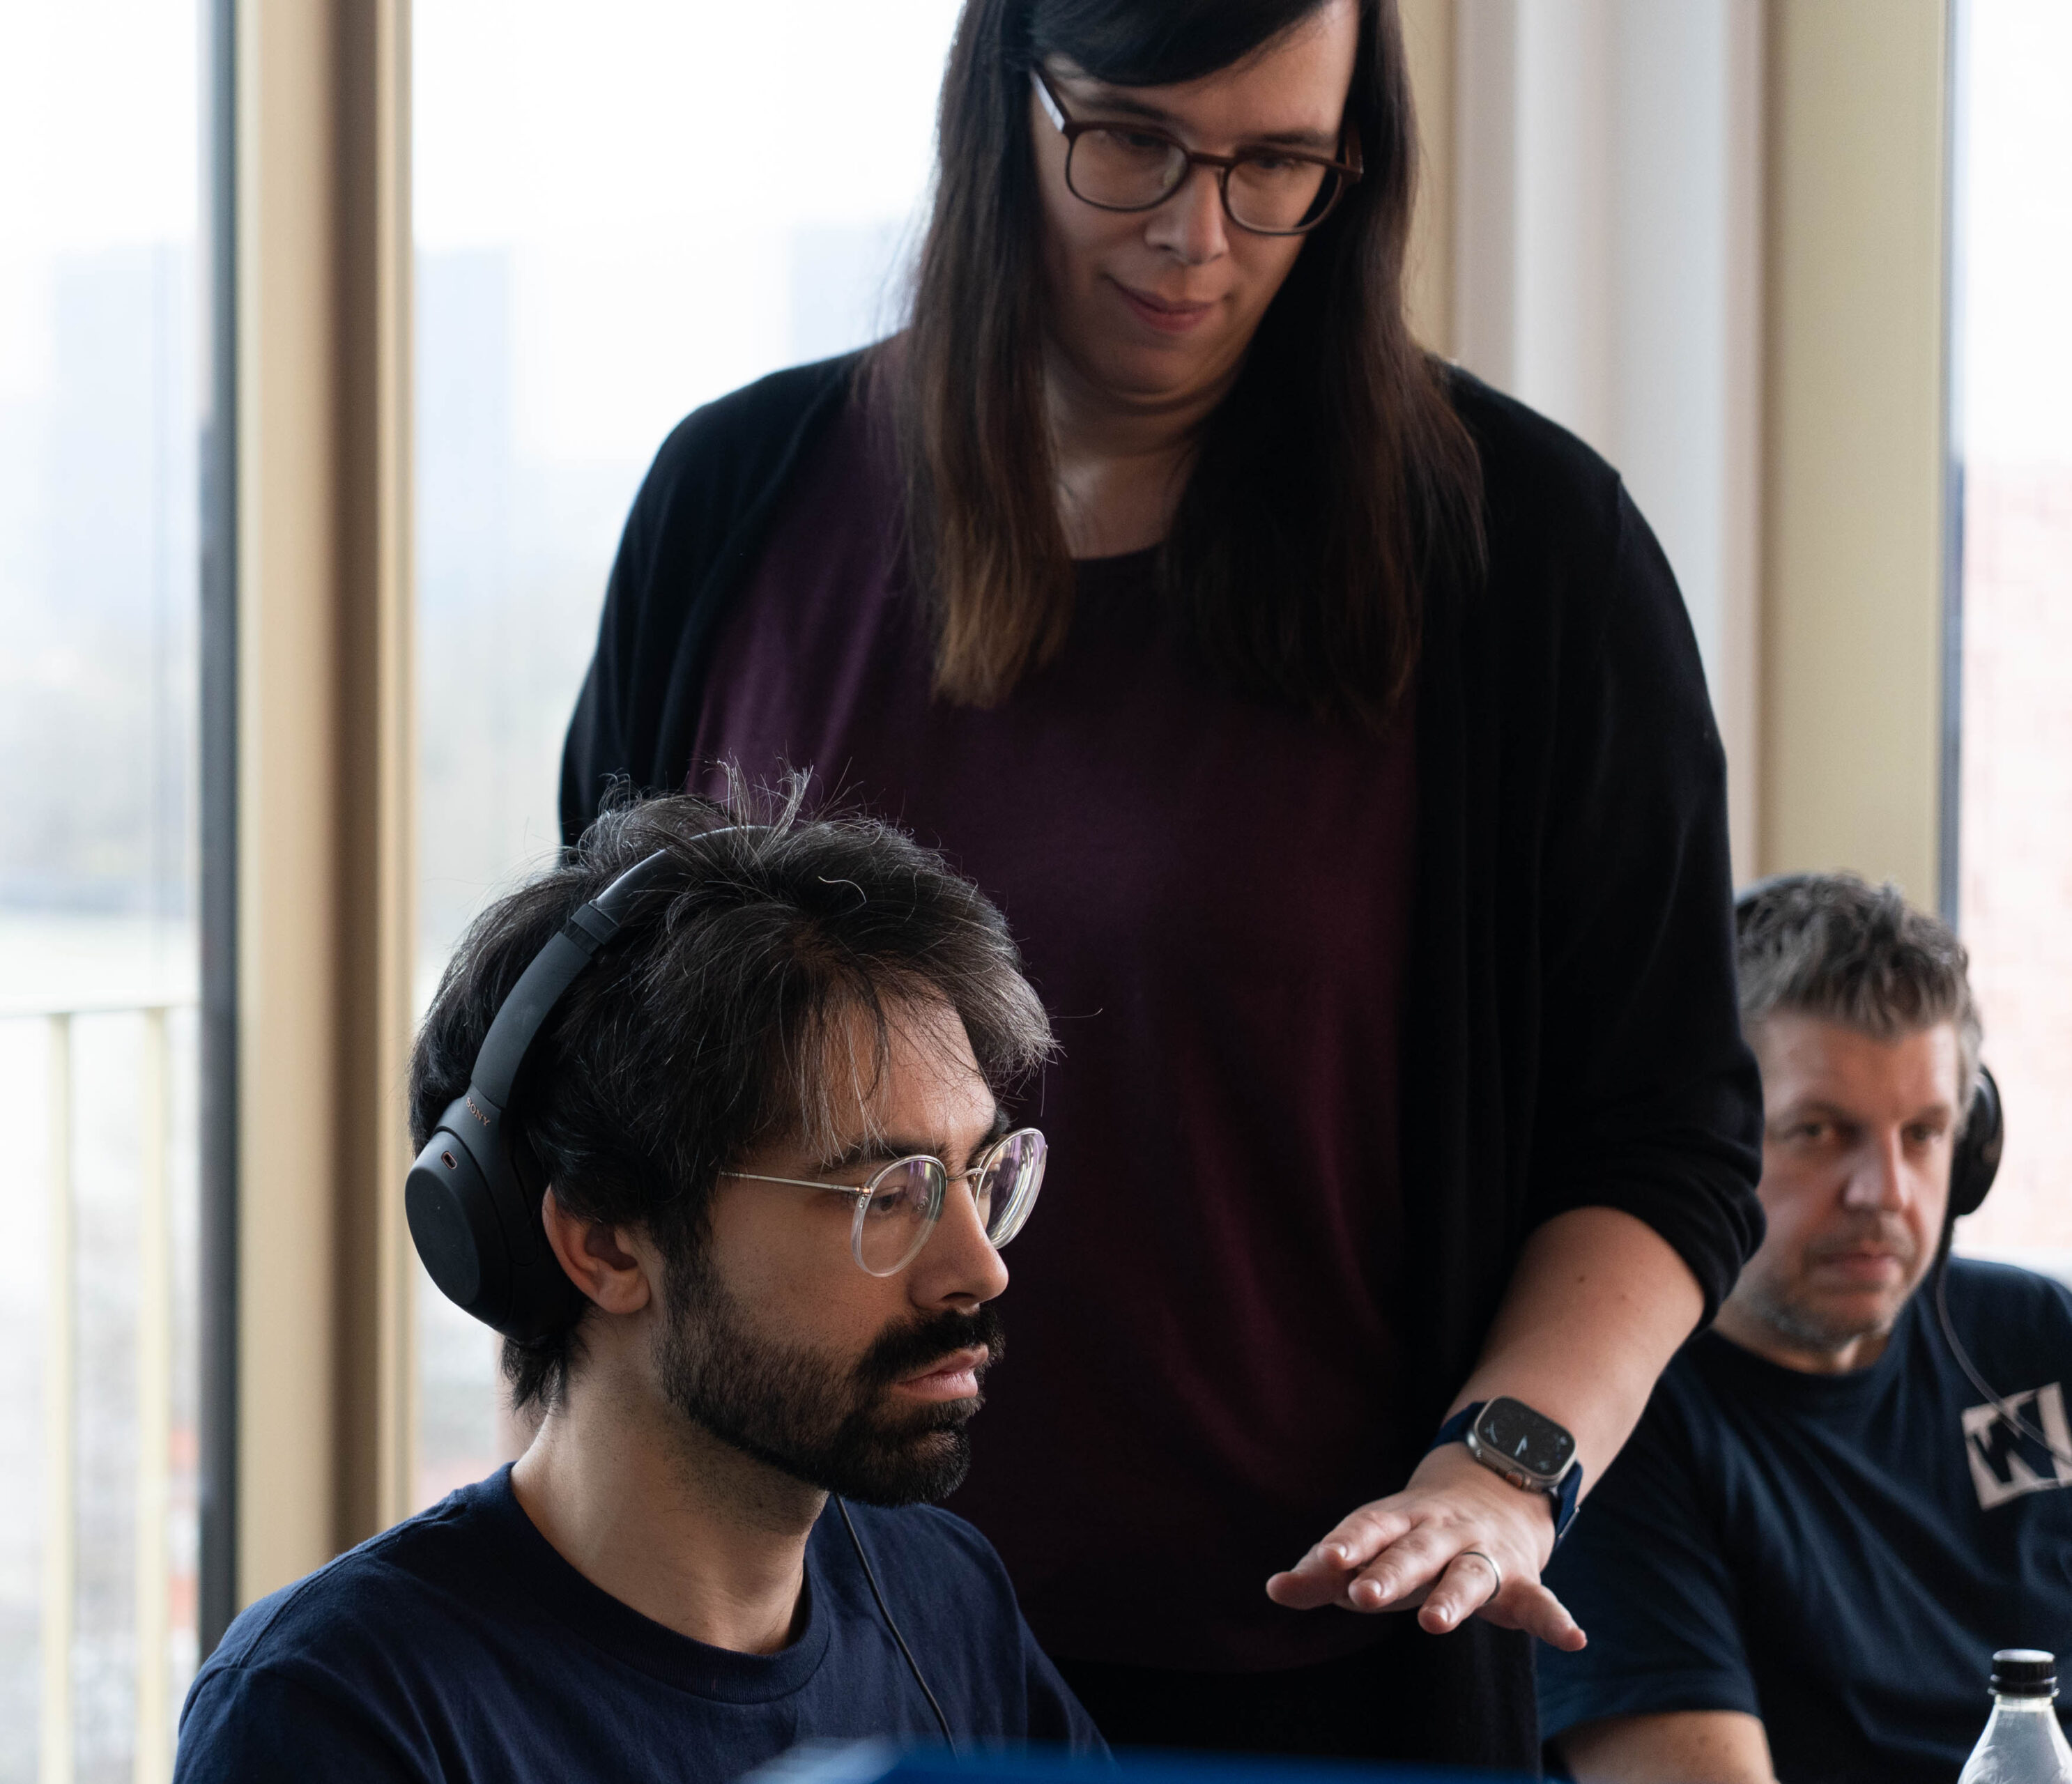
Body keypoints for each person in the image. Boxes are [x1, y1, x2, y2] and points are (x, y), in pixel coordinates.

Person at [559, 0, 1764, 1765]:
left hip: (1313, 1679)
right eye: (1129, 141)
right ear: (1005, 103)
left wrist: (1496, 1470)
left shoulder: (1529, 557)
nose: (1197, 234)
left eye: (1276, 163)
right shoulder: (735, 502)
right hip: (760, 1667)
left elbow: (1662, 1137)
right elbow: (586, 1087)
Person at [173, 792, 1104, 1783]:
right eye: (885, 1196)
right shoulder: (338, 1710)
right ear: (607, 1246)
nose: (982, 1268)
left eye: (977, 1176)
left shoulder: (943, 1596)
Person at [1540, 874, 2072, 1784]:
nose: (1885, 1194)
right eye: (1819, 1132)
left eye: (1923, 1134)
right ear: (1703, 1139)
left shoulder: (2033, 1335)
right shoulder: (1611, 1422)